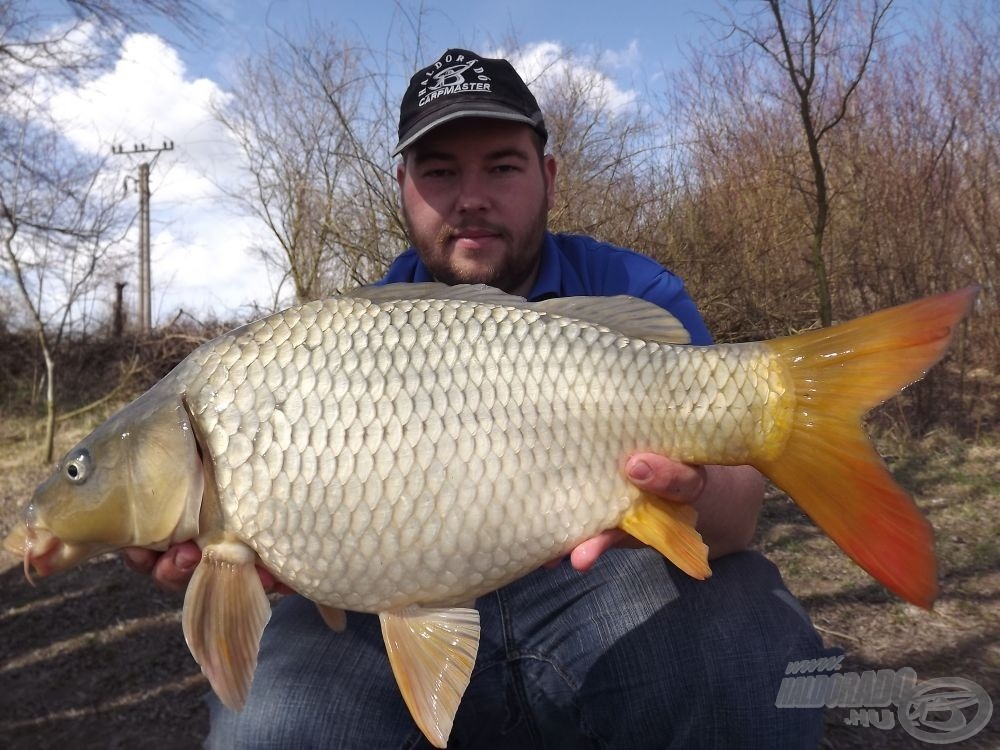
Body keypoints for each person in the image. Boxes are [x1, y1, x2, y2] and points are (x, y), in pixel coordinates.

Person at [125, 48, 834, 748]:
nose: (471, 197)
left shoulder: (633, 292)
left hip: (598, 585)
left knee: (746, 648)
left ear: (548, 177)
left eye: (501, 166)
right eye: (439, 172)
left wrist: (692, 490)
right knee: (273, 727)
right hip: (394, 604)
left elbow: (738, 521)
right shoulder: (341, 337)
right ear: (402, 185)